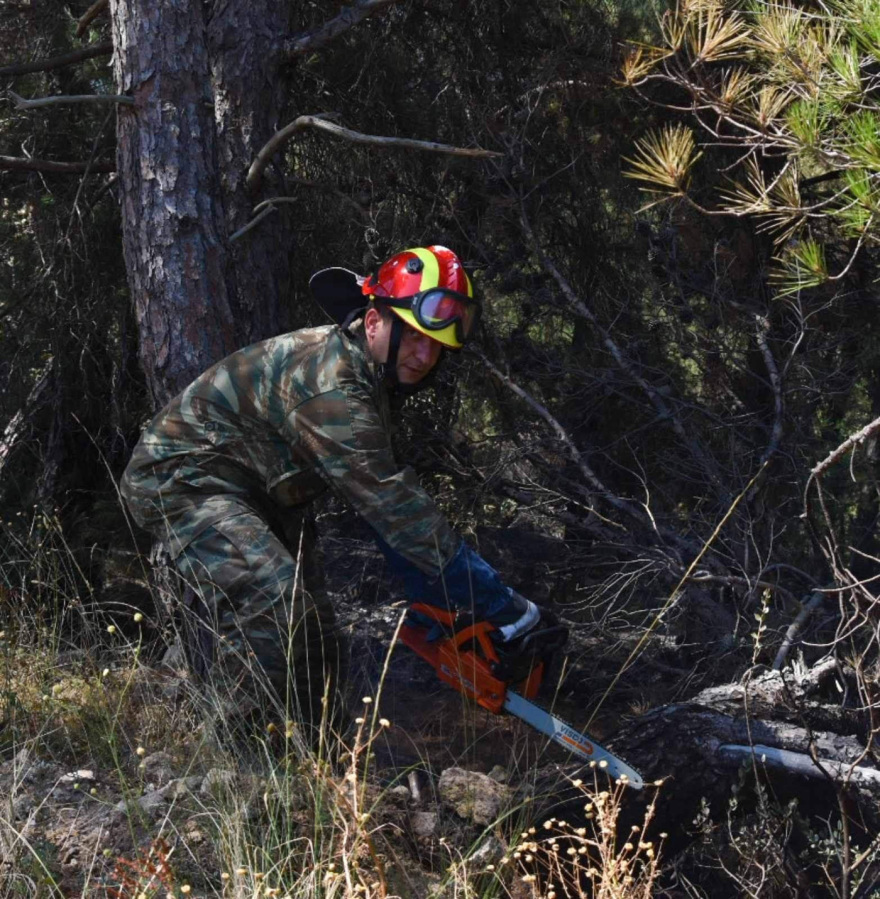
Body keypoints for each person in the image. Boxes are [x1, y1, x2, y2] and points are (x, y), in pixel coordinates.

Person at [120, 245, 550, 740]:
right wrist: (501, 603)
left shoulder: (364, 374)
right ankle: (248, 767)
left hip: (256, 490)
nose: (424, 355)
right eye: (412, 336)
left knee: (317, 629)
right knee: (275, 604)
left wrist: (441, 596)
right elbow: (391, 504)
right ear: (373, 323)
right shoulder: (333, 386)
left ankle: (321, 757)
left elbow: (387, 504)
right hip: (183, 479)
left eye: (435, 346)